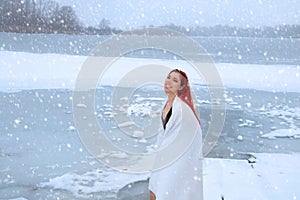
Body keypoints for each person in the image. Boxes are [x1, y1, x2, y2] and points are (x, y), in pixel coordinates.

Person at [148, 69, 203, 200]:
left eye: (175, 80)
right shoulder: (166, 104)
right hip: (164, 158)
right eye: (168, 77)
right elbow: (164, 134)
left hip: (178, 161)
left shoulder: (183, 109)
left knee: (167, 192)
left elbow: (191, 137)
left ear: (182, 86)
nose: (169, 82)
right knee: (154, 190)